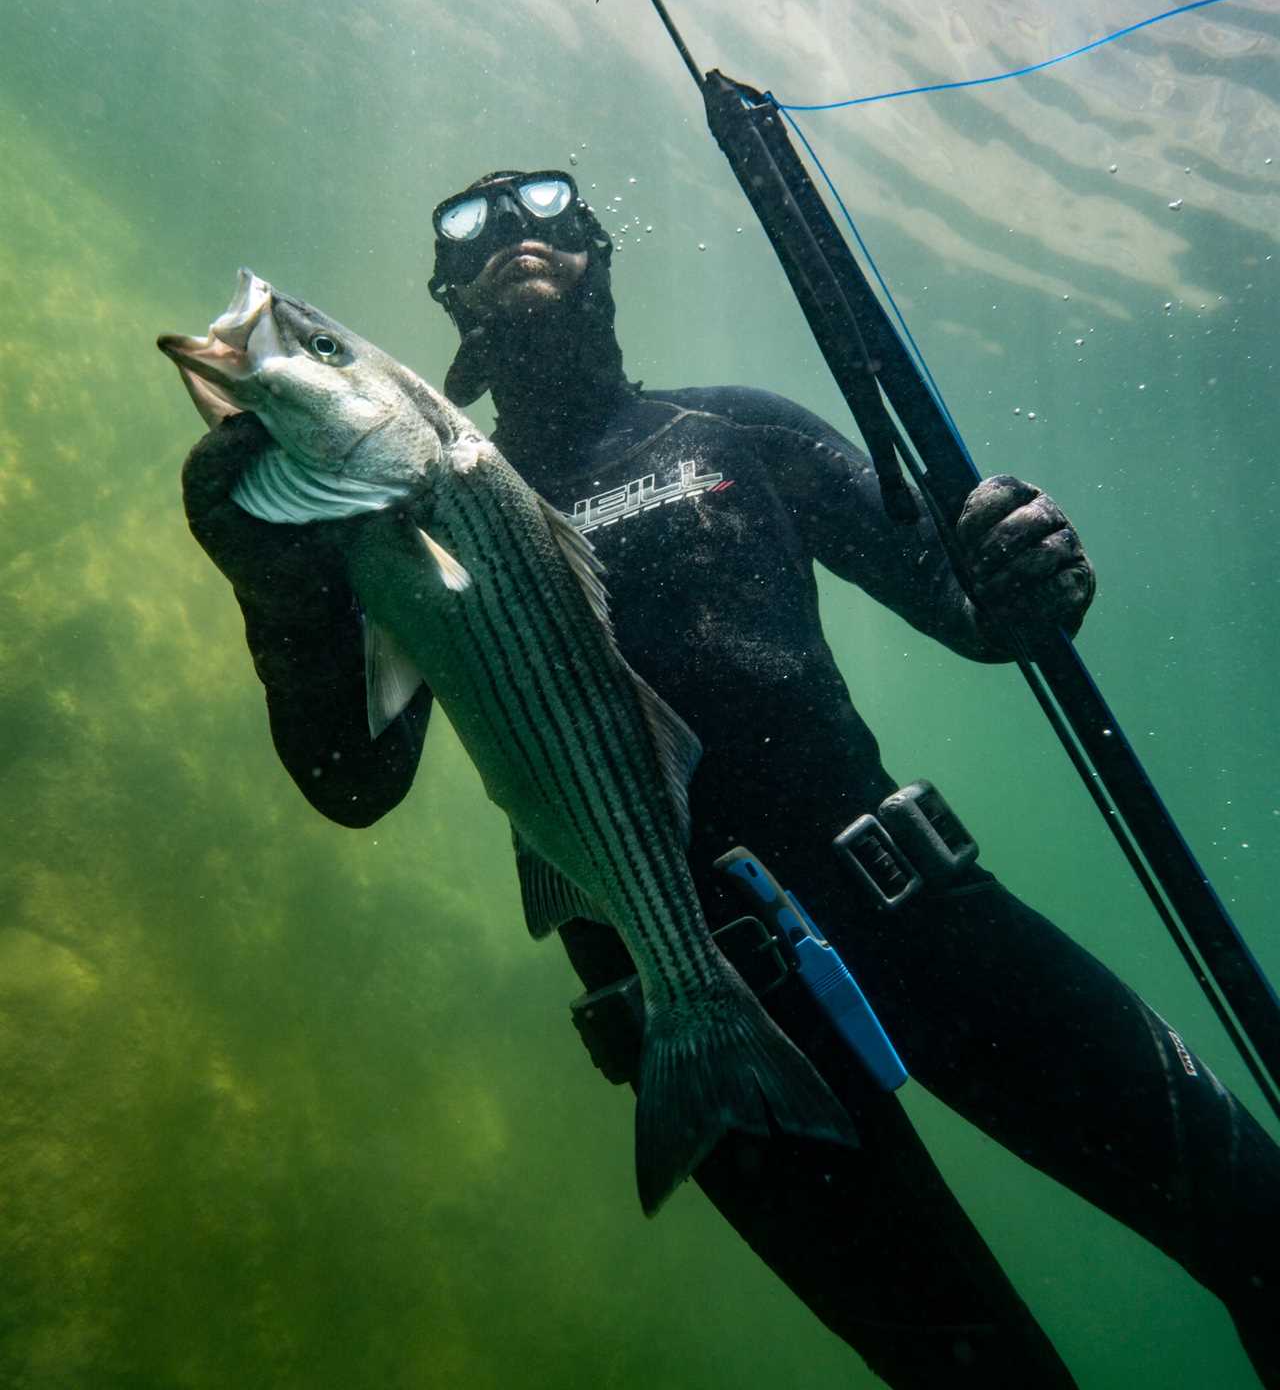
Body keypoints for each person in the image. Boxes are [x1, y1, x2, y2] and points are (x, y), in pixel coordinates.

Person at [182, 170, 1280, 1389]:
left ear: (599, 252)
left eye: (544, 212)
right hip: (676, 1010)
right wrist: (277, 592)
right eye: (473, 234)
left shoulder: (732, 430)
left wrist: (1023, 564)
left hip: (918, 916)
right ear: (448, 298)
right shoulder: (386, 527)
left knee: (1263, 1221)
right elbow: (351, 783)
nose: (510, 237)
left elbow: (968, 605)